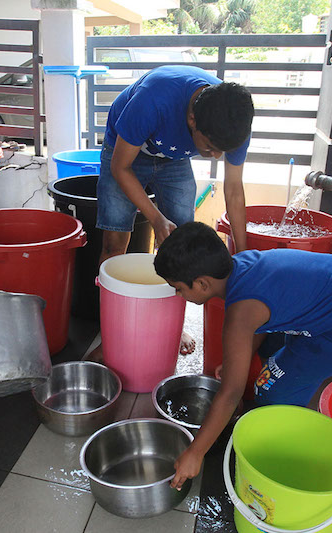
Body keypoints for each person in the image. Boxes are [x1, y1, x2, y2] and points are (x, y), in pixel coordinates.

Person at [153, 222, 332, 490]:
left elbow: (231, 393)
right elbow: (262, 319)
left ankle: (281, 448)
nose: (177, 294)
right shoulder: (239, 267)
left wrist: (196, 452)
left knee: (270, 389)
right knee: (267, 353)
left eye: (178, 288)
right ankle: (287, 380)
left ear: (203, 283)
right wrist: (237, 359)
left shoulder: (240, 313)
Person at [97, 65, 254, 353]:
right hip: (124, 152)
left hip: (174, 158)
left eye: (222, 150)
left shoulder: (233, 121)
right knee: (115, 240)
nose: (216, 156)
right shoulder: (153, 100)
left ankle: (173, 323)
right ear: (192, 119)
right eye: (209, 148)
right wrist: (156, 218)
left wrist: (242, 257)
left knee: (182, 243)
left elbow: (233, 190)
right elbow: (121, 168)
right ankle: (109, 321)